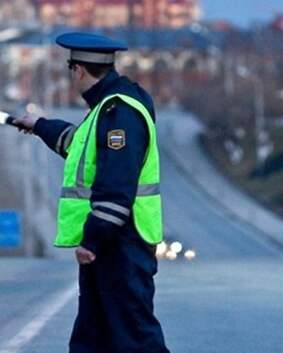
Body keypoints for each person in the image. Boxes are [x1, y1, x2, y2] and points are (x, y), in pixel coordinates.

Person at [14, 32, 171, 353]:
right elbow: (78, 145)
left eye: (70, 69)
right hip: (113, 247)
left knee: (134, 338)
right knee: (94, 337)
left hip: (121, 244)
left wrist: (93, 239)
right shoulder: (107, 108)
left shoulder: (119, 113)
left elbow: (116, 185)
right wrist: (40, 125)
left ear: (78, 70)